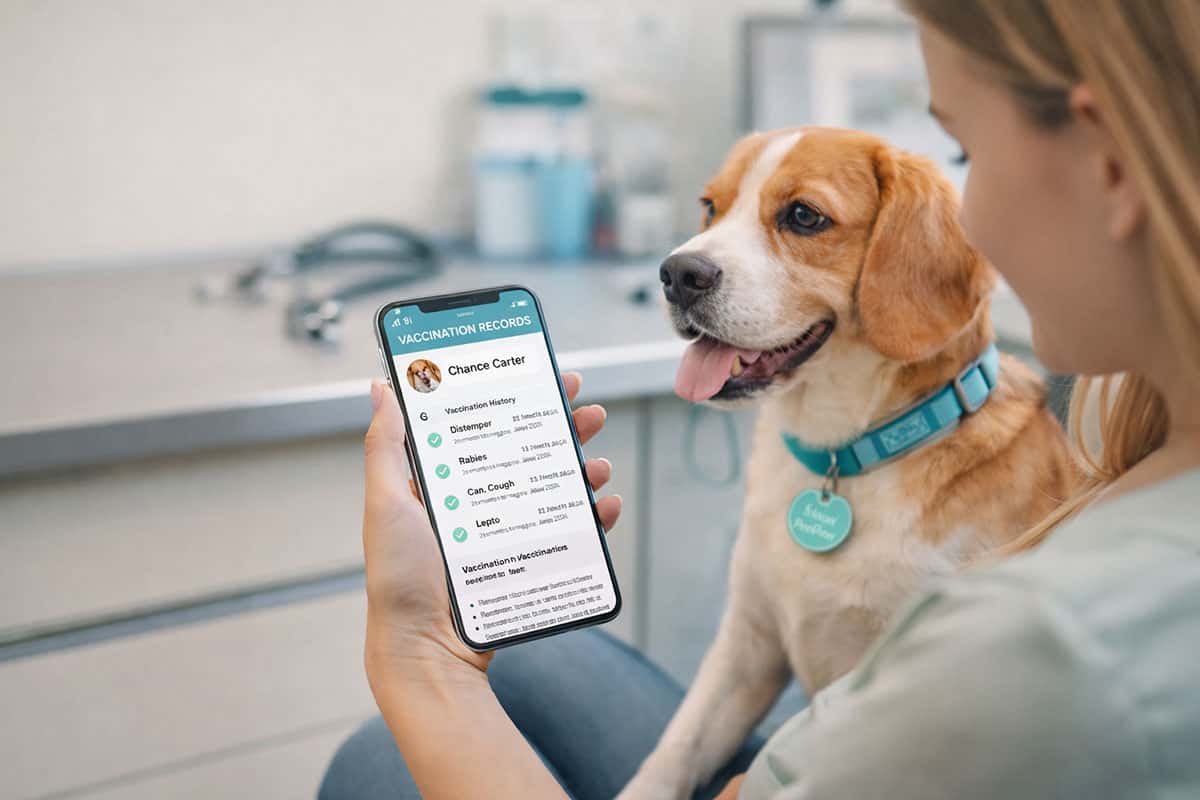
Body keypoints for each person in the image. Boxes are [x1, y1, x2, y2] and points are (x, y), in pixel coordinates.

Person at [320, 1, 1200, 797]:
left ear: (1111, 163)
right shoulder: (1140, 441)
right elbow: (751, 654)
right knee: (534, 661)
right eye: (718, 208)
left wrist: (416, 655)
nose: (695, 255)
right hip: (815, 746)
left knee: (376, 764)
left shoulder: (1047, 636)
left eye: (801, 218)